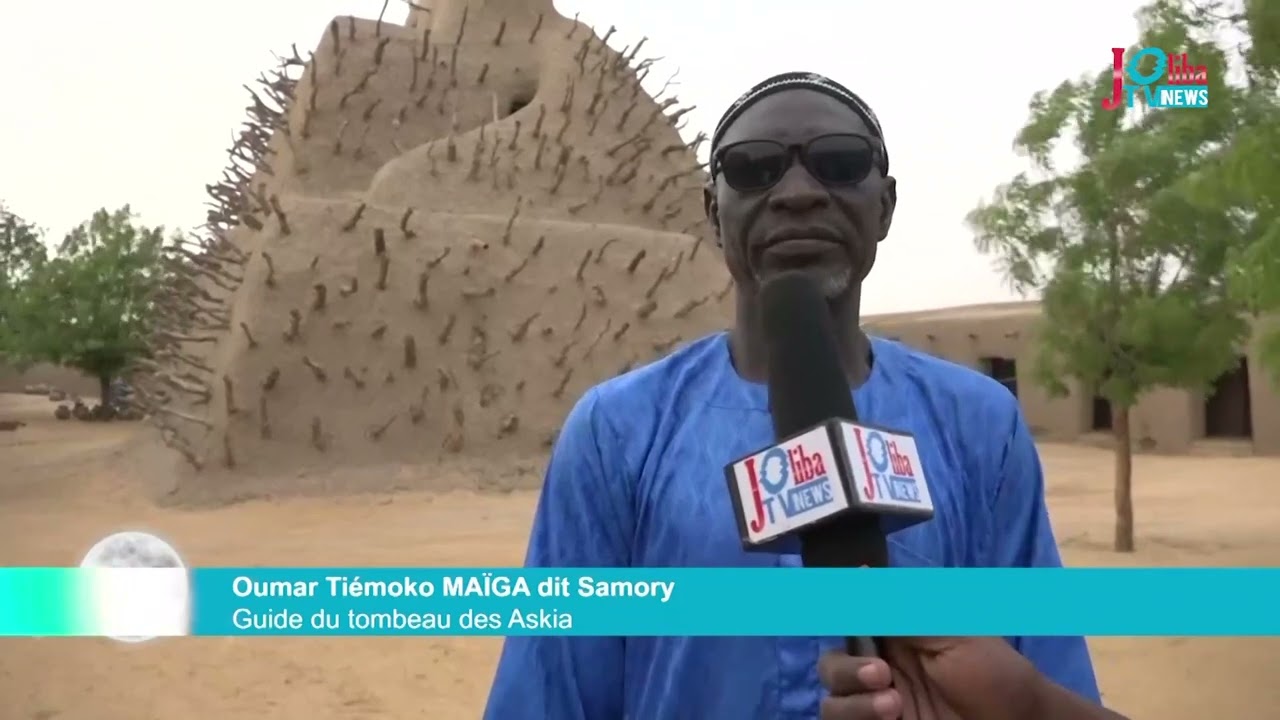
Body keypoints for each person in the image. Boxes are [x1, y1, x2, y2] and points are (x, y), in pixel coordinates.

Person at [483, 71, 1123, 720]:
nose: (796, 193)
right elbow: (550, 689)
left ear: (886, 205)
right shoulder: (616, 432)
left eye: (839, 163)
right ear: (713, 211)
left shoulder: (980, 425)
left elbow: (1039, 678)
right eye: (753, 168)